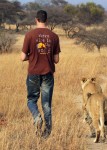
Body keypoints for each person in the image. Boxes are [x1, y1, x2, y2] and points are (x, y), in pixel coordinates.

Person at [21, 10, 61, 138]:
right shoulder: (54, 36)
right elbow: (56, 60)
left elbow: (22, 57)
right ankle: (47, 133)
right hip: (48, 73)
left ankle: (37, 117)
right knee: (46, 104)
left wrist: (31, 57)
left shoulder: (29, 35)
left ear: (36, 19)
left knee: (31, 100)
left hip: (33, 73)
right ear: (46, 20)